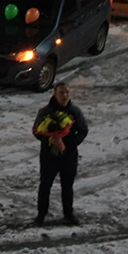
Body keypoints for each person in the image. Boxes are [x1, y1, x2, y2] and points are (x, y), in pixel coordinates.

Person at [32, 82, 89, 227]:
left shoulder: (75, 112)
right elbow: (36, 130)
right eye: (61, 93)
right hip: (48, 156)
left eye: (67, 93)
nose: (65, 96)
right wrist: (51, 139)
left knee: (67, 185)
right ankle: (41, 214)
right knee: (45, 185)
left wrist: (70, 143)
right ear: (54, 94)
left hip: (68, 156)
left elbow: (83, 130)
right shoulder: (45, 111)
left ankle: (68, 213)